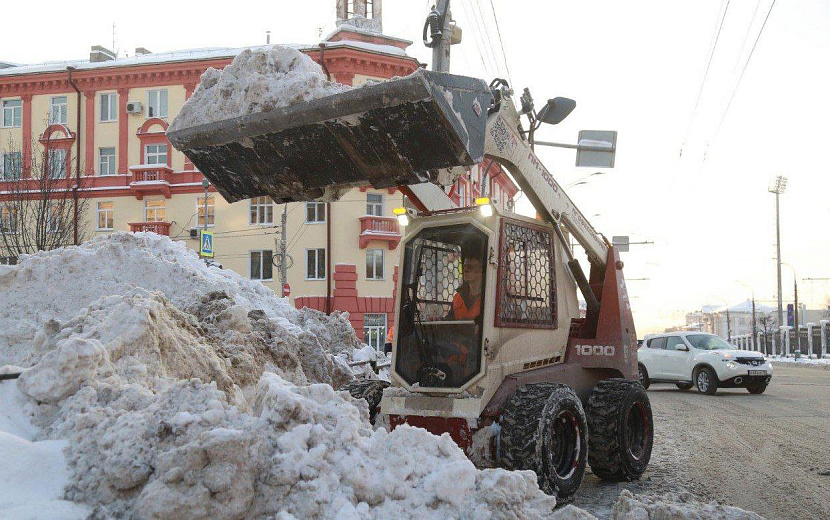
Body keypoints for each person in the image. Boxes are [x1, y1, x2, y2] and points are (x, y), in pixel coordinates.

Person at [446, 256, 483, 321]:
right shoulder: (458, 298)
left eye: (470, 267)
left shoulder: (488, 298)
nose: (465, 270)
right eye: (464, 267)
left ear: (481, 271)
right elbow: (449, 322)